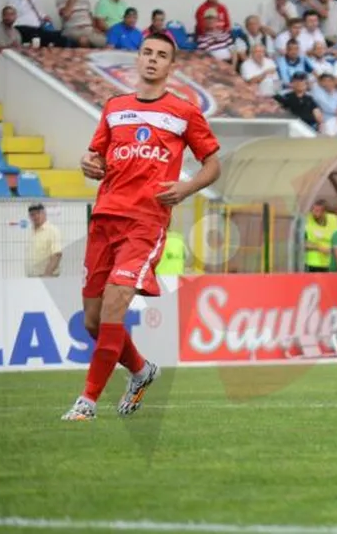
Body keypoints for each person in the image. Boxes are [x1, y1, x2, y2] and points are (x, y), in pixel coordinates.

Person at [63, 34, 221, 421]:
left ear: (171, 67)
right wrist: (88, 163)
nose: (153, 59)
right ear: (137, 59)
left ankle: (87, 402)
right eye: (147, 53)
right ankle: (141, 370)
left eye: (161, 55)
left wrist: (186, 188)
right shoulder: (114, 108)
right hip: (104, 218)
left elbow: (214, 164)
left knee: (114, 309)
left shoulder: (184, 112)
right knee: (93, 321)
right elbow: (96, 156)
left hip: (145, 223)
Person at [25, 203, 62, 278]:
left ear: (44, 213)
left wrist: (46, 276)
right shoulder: (32, 232)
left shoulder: (52, 230)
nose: (35, 216)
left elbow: (57, 255)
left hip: (47, 278)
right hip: (32, 278)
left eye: (38, 213)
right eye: (32, 214)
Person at [303, 200, 337, 272]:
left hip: (330, 263)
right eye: (313, 210)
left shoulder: (333, 219)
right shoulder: (306, 221)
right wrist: (319, 247)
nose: (314, 213)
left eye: (317, 211)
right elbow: (302, 243)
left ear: (324, 212)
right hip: (312, 264)